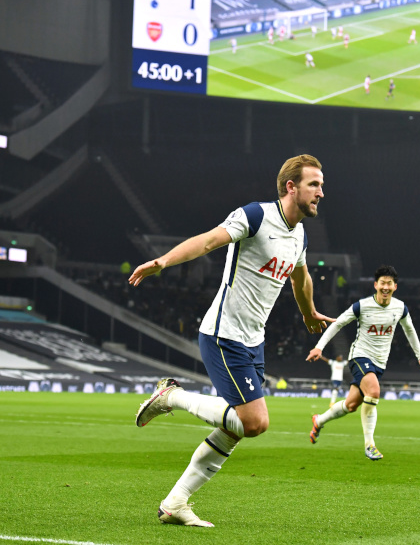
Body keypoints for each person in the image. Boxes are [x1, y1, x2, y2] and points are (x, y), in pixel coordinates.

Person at [131, 155, 334, 527]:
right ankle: (170, 396)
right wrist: (162, 262)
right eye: (314, 184)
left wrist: (308, 311)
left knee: (234, 429)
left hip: (253, 341)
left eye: (321, 185)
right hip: (224, 334)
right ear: (292, 187)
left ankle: (176, 502)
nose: (322, 192)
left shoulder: (299, 234)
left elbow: (300, 278)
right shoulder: (255, 216)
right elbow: (208, 241)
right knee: (254, 422)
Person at [306, 265, 420, 460]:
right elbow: (339, 323)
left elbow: (410, 330)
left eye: (389, 284)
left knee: (351, 405)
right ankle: (370, 445)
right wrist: (319, 347)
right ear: (376, 285)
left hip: (380, 363)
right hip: (360, 356)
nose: (385, 287)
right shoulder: (362, 306)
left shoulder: (400, 308)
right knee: (374, 392)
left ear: (395, 287)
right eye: (382, 283)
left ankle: (319, 420)